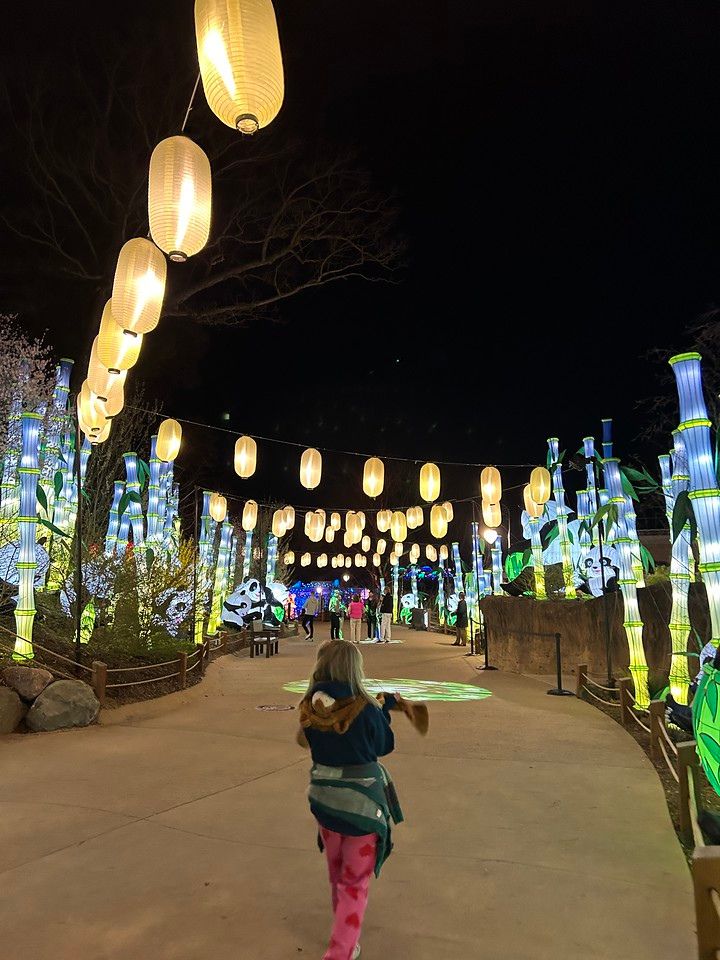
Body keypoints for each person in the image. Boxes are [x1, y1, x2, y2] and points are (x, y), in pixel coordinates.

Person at [295, 640, 406, 960]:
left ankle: (344, 935)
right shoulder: (365, 708)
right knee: (354, 882)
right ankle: (340, 951)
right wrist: (383, 713)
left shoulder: (310, 706)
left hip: (324, 801)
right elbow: (383, 745)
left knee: (337, 872)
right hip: (361, 807)